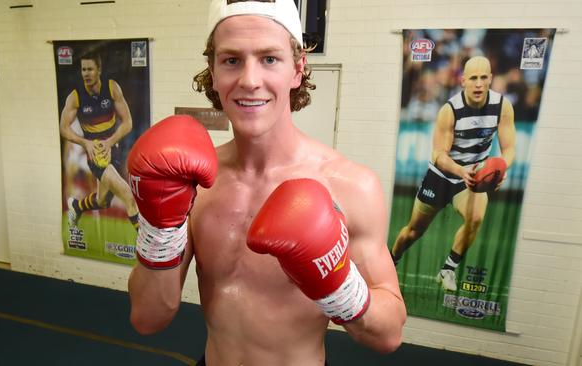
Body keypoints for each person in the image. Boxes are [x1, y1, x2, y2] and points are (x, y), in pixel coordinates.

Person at [127, 1, 406, 364]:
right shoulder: (194, 183)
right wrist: (159, 229)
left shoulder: (349, 186)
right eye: (231, 60)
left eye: (269, 59)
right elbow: (149, 317)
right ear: (212, 72)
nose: (250, 80)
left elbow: (389, 334)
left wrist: (341, 287)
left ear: (298, 68)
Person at [390, 56, 516, 292]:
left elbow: (509, 149)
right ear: (463, 81)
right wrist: (461, 170)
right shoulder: (450, 110)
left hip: (472, 179)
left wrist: (500, 170)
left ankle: (447, 270)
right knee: (413, 231)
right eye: (473, 78)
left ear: (490, 79)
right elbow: (438, 154)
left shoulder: (502, 106)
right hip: (442, 176)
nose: (478, 84)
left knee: (476, 218)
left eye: (483, 78)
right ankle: (391, 261)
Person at [59, 52, 139, 231]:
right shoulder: (76, 97)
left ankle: (77, 206)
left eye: (90, 69)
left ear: (99, 70)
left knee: (103, 201)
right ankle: (145, 250)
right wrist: (85, 143)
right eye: (83, 70)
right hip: (96, 155)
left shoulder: (112, 89)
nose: (86, 73)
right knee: (129, 197)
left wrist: (110, 142)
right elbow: (64, 128)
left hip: (113, 149)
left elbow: (128, 123)